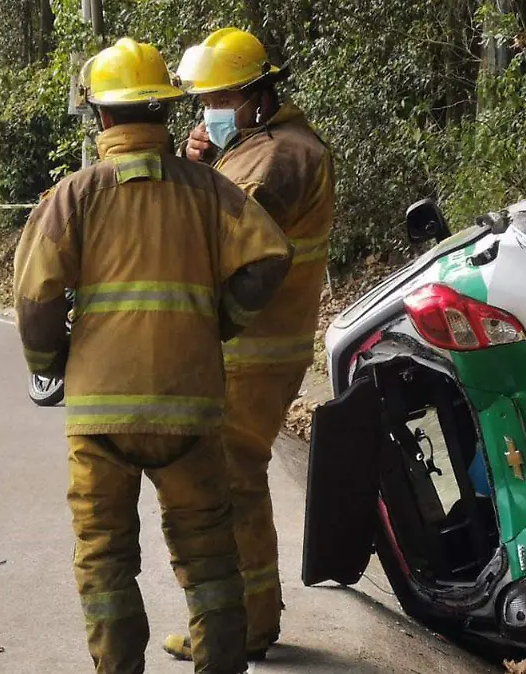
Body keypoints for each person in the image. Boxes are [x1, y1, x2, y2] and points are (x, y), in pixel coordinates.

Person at [12, 37, 293, 674]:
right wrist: (220, 321)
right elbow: (270, 256)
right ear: (165, 114)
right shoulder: (209, 190)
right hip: (188, 409)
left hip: (99, 417)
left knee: (105, 558)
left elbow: (35, 296)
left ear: (102, 118)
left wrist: (47, 364)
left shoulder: (72, 196)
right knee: (209, 559)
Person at [164, 27, 336, 662]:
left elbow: (215, 239)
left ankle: (242, 626)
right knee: (234, 480)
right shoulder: (256, 145)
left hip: (254, 350)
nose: (209, 109)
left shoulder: (279, 157)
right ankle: (248, 619)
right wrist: (207, 162)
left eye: (221, 97)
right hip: (247, 347)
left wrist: (197, 177)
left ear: (258, 95)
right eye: (204, 99)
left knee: (226, 482)